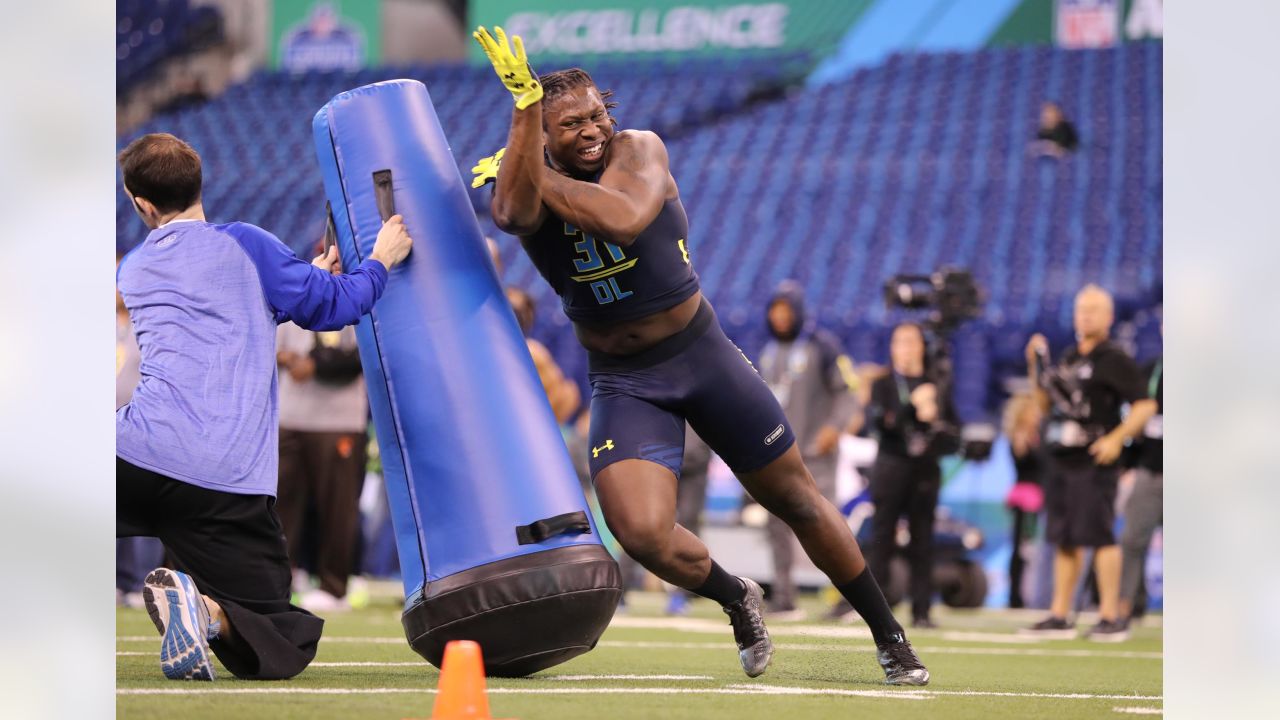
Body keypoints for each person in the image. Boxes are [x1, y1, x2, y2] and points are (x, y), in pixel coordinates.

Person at [471, 26, 927, 685]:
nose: (593, 127)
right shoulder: (528, 163)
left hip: (699, 355)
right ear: (543, 131)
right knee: (641, 532)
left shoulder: (640, 149)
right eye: (570, 123)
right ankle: (736, 595)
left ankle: (888, 635)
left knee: (796, 499)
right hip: (625, 380)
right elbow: (512, 216)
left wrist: (532, 166)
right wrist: (522, 128)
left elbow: (625, 217)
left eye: (598, 112)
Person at [115, 133, 413, 681]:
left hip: (132, 454)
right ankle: (205, 614)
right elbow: (340, 307)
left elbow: (223, 312)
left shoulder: (131, 269)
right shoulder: (249, 244)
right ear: (200, 184)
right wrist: (380, 260)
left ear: (142, 204)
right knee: (278, 639)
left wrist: (303, 282)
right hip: (223, 481)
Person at [1020, 285, 1157, 641]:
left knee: (1100, 535)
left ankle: (1110, 616)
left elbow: (1144, 405)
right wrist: (1035, 367)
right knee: (1065, 537)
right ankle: (1060, 614)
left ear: (1109, 317)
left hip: (1094, 460)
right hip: (1063, 458)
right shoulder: (1069, 357)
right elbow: (1045, 404)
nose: (1086, 315)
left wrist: (1116, 438)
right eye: (1081, 309)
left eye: (1094, 309)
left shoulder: (1115, 358)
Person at [757, 281, 858, 618]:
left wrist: (834, 427)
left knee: (828, 524)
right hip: (777, 454)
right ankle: (784, 596)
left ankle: (849, 598)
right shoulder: (766, 351)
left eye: (786, 311)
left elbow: (847, 392)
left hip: (816, 453)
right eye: (775, 311)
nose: (781, 317)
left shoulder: (824, 347)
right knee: (775, 525)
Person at [865, 323, 959, 629]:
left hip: (924, 471)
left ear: (921, 346)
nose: (903, 347)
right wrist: (912, 407)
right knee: (882, 540)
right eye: (898, 341)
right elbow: (881, 426)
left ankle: (922, 612)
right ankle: (872, 610)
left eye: (909, 341)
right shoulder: (883, 384)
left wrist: (937, 421)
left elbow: (954, 434)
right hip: (891, 468)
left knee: (923, 541)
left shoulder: (938, 384)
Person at [275, 312, 369, 613]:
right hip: (289, 418)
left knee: (338, 507)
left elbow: (362, 356)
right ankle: (277, 581)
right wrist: (284, 357)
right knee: (278, 507)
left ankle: (334, 587)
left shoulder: (360, 301)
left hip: (339, 421)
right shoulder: (295, 301)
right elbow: (267, 346)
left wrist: (314, 364)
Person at [1119, 351, 1162, 624]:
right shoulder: (1152, 369)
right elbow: (1135, 419)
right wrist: (1128, 464)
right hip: (1149, 470)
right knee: (1132, 540)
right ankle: (1126, 605)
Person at [1002, 390, 1048, 609]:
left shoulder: (1042, 435)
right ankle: (1014, 596)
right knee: (1021, 549)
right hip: (1026, 498)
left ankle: (1038, 594)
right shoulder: (1020, 438)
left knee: (1035, 550)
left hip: (1042, 495)